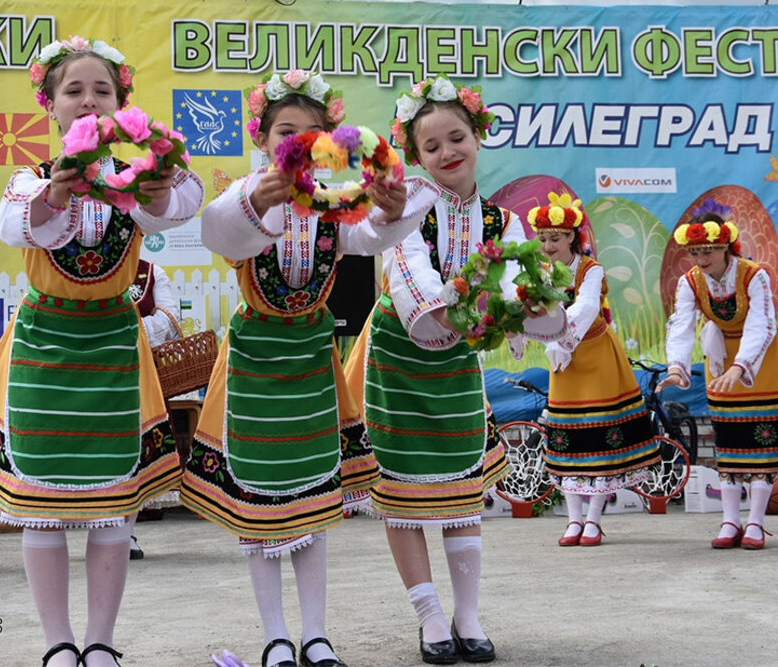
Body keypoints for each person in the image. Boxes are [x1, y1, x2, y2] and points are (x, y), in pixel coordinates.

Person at [0, 35, 203, 667]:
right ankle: (58, 645)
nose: (88, 100)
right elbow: (18, 227)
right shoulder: (26, 181)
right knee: (42, 507)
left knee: (113, 508)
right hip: (44, 349)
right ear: (50, 107)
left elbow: (181, 205)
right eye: (74, 90)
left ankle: (101, 644)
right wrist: (58, 191)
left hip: (113, 348)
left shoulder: (136, 184)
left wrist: (159, 175)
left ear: (122, 107)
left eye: (103, 91)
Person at [181, 69, 432, 667]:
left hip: (313, 361)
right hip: (256, 363)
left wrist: (393, 209)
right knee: (259, 508)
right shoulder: (247, 194)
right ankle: (274, 639)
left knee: (314, 505)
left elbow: (371, 237)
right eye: (285, 131)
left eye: (313, 133)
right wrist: (257, 199)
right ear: (264, 138)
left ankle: (316, 637)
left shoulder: (332, 203)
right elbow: (221, 234)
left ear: (330, 143)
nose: (298, 142)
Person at [344, 76, 566, 665]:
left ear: (478, 137)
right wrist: (469, 313)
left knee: (462, 491)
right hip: (398, 356)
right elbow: (410, 277)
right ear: (414, 156)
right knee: (403, 492)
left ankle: (468, 614)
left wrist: (533, 306)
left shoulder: (505, 225)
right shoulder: (404, 210)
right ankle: (430, 617)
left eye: (457, 137)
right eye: (432, 146)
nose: (448, 152)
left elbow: (523, 294)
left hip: (458, 364)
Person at [657, 211, 778, 550]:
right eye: (694, 253)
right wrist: (676, 368)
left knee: (761, 442)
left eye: (707, 251)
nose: (700, 259)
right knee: (728, 440)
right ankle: (729, 520)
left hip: (760, 359)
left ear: (726, 246)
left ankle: (754, 522)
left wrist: (740, 367)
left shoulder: (754, 275)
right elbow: (680, 326)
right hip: (721, 358)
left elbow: (763, 325)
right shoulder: (690, 282)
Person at [530, 192, 659, 547]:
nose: (548, 245)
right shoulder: (539, 273)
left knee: (601, 435)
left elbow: (586, 307)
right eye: (542, 239)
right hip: (563, 360)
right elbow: (534, 311)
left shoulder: (591, 269)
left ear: (572, 236)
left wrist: (560, 341)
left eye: (555, 238)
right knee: (569, 435)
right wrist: (542, 341)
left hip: (596, 354)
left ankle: (593, 520)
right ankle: (573, 520)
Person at [127, 254, 182, 560]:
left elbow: (169, 318)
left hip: (141, 376)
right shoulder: (83, 265)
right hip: (92, 371)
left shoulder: (149, 272)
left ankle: (125, 532)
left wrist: (125, 330)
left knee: (135, 452)